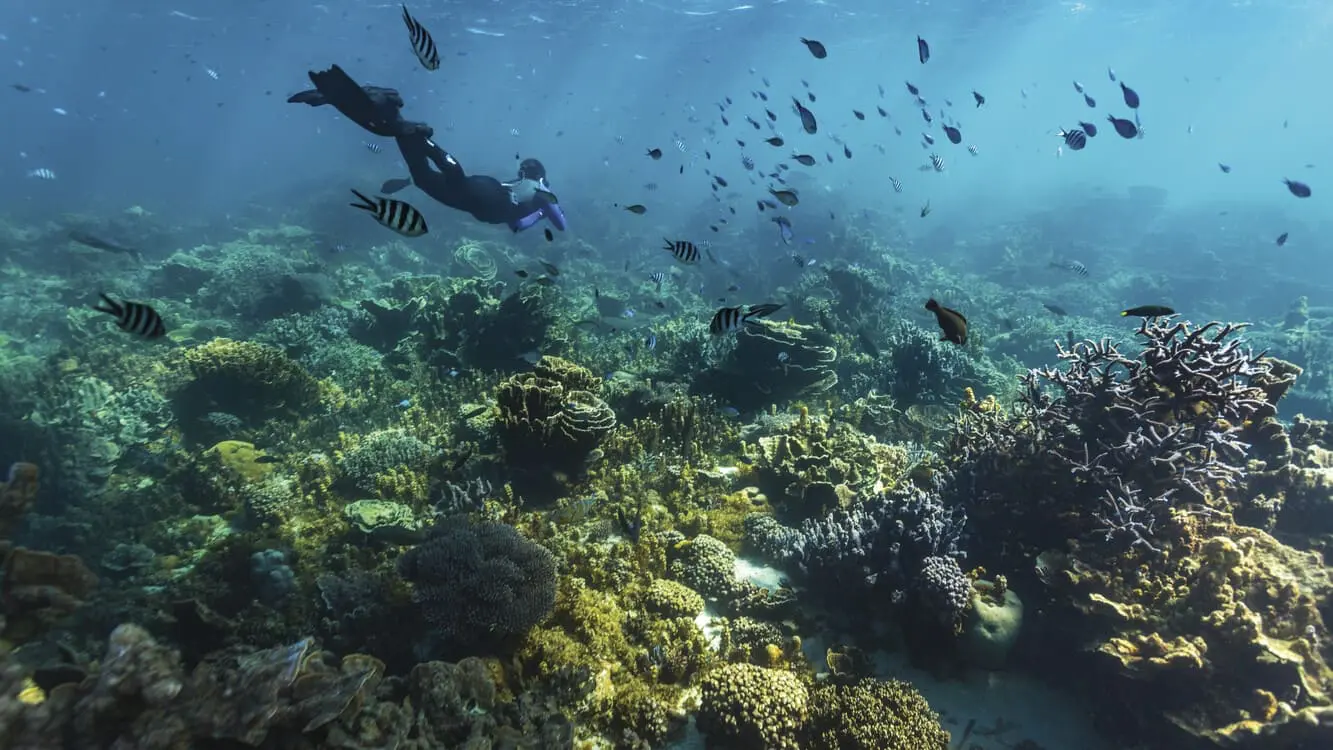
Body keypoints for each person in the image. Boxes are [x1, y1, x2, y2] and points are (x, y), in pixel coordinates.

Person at [288, 65, 566, 234]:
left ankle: (393, 109)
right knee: (439, 177)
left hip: (484, 190)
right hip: (483, 200)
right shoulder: (544, 195)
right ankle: (406, 124)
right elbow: (556, 225)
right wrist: (542, 213)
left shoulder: (527, 186)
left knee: (423, 157)